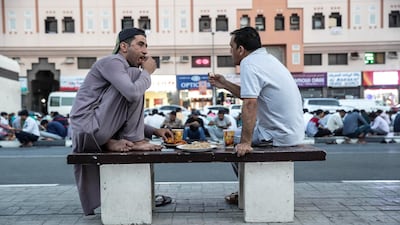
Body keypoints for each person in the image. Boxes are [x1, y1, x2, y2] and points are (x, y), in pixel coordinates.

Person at [69, 28, 173, 216]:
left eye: (146, 46)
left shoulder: (121, 67)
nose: (145, 51)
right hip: (88, 128)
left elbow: (120, 113)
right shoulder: (113, 61)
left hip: (94, 129)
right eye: (140, 44)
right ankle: (134, 140)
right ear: (124, 46)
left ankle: (113, 141)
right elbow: (132, 93)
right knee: (135, 78)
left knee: (134, 77)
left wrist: (154, 131)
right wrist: (147, 73)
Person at [208, 26, 304, 204]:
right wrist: (225, 84)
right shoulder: (266, 60)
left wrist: (245, 142)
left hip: (278, 134)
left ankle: (248, 191)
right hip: (290, 130)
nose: (230, 51)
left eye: (231, 47)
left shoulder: (249, 63)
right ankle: (249, 189)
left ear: (241, 49)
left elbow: (250, 103)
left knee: (233, 141)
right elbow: (250, 94)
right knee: (235, 136)